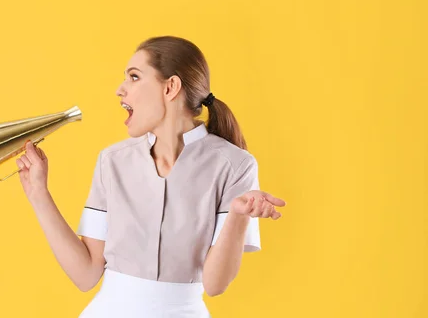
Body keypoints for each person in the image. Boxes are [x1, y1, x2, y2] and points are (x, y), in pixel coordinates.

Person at [15, 36, 287, 317]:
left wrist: (239, 215)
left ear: (170, 87)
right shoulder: (113, 161)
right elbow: (86, 275)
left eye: (134, 77)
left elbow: (216, 284)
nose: (120, 90)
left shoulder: (235, 165)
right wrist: (38, 193)